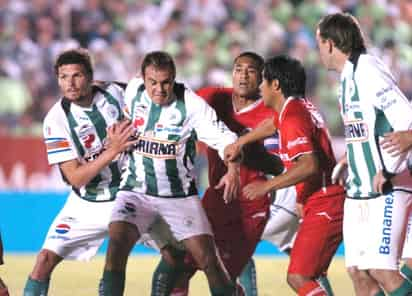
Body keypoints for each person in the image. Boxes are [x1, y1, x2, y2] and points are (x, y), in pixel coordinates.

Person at [100, 51, 238, 296]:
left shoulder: (191, 105)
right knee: (116, 246)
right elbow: (115, 92)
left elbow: (227, 141)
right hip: (135, 191)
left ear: (174, 78)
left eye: (166, 82)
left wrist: (233, 170)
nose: (159, 89)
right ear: (142, 79)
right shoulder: (133, 91)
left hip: (179, 196)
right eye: (153, 82)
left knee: (208, 261)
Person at [225, 55, 345, 295]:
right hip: (317, 199)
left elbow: (308, 165)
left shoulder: (292, 117)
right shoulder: (296, 107)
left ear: (275, 85)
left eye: (264, 82)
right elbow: (272, 125)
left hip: (324, 202)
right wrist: (242, 141)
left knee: (298, 276)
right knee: (311, 275)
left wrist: (267, 188)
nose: (259, 87)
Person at [23, 48, 138, 295]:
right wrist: (113, 150)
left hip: (130, 194)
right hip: (86, 202)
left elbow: (149, 95)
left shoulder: (115, 92)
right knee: (43, 261)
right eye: (63, 77)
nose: (70, 83)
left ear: (90, 76)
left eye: (77, 75)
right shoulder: (56, 120)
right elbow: (75, 177)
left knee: (175, 252)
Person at [316, 12, 412, 295]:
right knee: (358, 272)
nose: (318, 50)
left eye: (319, 43)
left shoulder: (367, 69)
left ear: (331, 44)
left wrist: (402, 148)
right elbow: (369, 128)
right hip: (359, 191)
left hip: (387, 187)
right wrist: (351, 158)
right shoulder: (346, 79)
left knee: (382, 270)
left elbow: (404, 117)